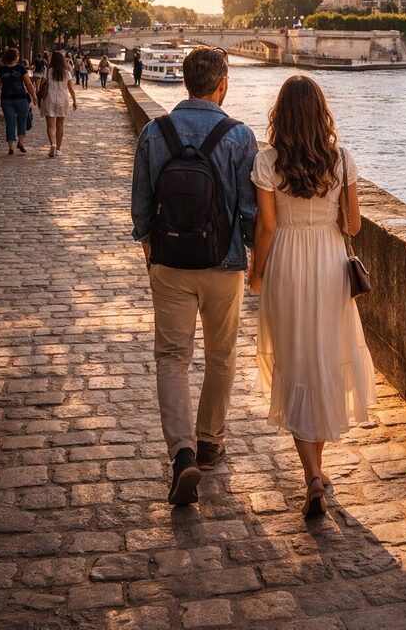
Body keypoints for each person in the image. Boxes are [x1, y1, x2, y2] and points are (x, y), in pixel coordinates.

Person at [131, 46, 258, 506]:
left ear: (185, 83)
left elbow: (141, 208)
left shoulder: (153, 131)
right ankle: (209, 440)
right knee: (221, 355)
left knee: (171, 357)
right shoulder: (240, 136)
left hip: (169, 263)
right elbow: (249, 211)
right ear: (222, 83)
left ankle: (181, 452)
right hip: (222, 265)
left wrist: (152, 250)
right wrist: (250, 258)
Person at [250, 75, 377, 519]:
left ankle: (311, 476)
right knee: (324, 358)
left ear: (280, 114)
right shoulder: (341, 160)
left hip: (286, 259)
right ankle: (318, 473)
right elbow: (355, 225)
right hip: (328, 262)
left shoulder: (267, 161)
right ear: (321, 112)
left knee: (294, 359)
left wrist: (255, 274)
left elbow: (265, 229)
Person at [0, 48, 37, 155]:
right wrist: (34, 96)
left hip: (6, 99)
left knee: (10, 122)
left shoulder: (2, 70)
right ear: (15, 57)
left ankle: (11, 147)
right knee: (21, 121)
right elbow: (28, 84)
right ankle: (21, 142)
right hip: (21, 98)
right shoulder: (21, 68)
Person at [40, 50, 77, 157]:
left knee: (50, 126)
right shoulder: (67, 73)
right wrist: (74, 101)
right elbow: (70, 89)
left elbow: (42, 84)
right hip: (63, 100)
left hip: (49, 99)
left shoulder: (48, 71)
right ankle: (59, 149)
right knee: (60, 125)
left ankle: (52, 145)